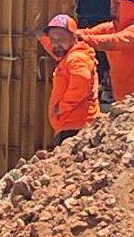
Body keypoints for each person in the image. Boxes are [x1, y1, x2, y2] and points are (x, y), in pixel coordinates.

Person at [37, 14, 100, 144]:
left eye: (60, 39)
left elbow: (81, 83)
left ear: (74, 36)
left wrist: (62, 107)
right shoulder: (68, 56)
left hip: (76, 127)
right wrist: (40, 37)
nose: (55, 44)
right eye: (52, 40)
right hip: (73, 125)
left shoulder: (76, 58)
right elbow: (55, 49)